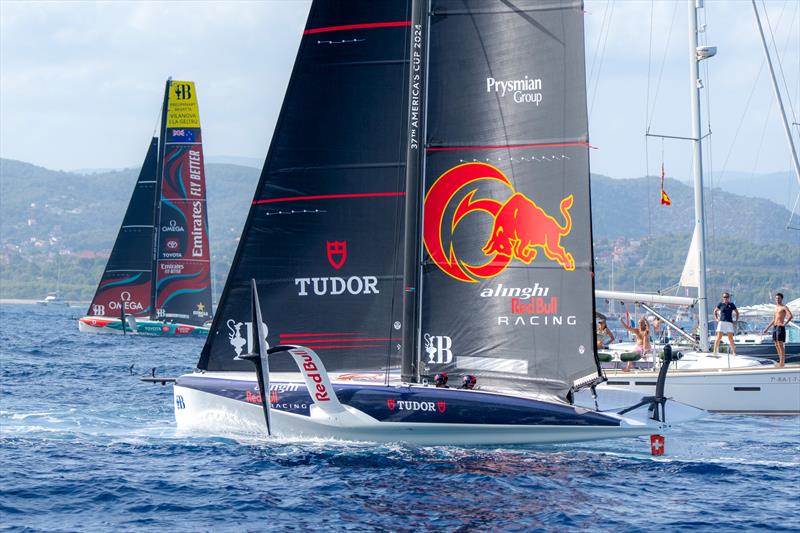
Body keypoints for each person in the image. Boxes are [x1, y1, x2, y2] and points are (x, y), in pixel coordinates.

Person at [762, 292, 794, 368]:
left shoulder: (784, 307)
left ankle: (782, 362)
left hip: (780, 327)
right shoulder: (776, 308)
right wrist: (767, 328)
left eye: (779, 298)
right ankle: (780, 361)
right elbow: (774, 319)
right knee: (776, 344)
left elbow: (790, 316)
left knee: (780, 344)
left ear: (781, 299)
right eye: (776, 298)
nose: (777, 299)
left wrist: (784, 324)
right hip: (775, 327)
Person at [713, 292, 739, 356]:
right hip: (722, 322)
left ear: (728, 297)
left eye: (727, 297)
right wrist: (716, 319)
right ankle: (714, 351)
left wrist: (736, 320)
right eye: (724, 297)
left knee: (730, 338)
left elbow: (737, 312)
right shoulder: (720, 304)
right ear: (723, 298)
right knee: (719, 337)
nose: (726, 298)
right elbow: (715, 311)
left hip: (729, 322)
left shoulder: (731, 304)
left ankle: (733, 352)